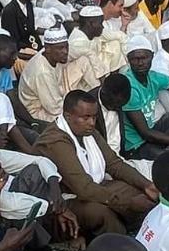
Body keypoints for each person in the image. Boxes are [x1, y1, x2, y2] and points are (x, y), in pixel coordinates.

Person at [33, 89, 160, 235]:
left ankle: (145, 236)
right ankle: (119, 248)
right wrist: (127, 204)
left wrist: (146, 184)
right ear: (68, 116)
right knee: (103, 213)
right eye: (86, 118)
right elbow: (83, 188)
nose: (92, 123)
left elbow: (114, 164)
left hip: (94, 185)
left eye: (94, 117)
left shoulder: (87, 131)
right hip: (64, 200)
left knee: (139, 193)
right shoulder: (55, 141)